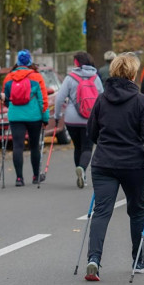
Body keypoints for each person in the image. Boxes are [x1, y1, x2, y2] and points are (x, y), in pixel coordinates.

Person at [83, 53, 144, 281]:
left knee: (101, 211)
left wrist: (106, 145)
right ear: (133, 73)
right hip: (133, 164)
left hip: (104, 162)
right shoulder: (140, 101)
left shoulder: (102, 99)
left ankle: (94, 259)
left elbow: (92, 132)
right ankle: (139, 261)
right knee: (137, 211)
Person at [55, 51, 104, 189]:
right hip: (90, 119)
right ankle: (82, 169)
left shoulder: (70, 78)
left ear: (76, 62)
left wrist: (57, 115)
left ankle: (80, 172)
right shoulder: (95, 78)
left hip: (72, 119)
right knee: (87, 147)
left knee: (77, 146)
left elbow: (59, 99)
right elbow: (102, 98)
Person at [2, 50, 50, 186]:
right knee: (34, 146)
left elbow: (5, 98)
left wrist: (11, 107)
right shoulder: (36, 77)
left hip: (15, 117)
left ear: (17, 62)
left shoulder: (9, 77)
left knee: (17, 146)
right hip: (34, 117)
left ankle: (19, 178)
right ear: (29, 61)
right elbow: (43, 100)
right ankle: (36, 176)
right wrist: (45, 118)